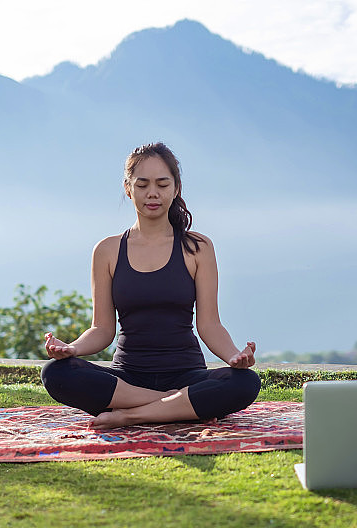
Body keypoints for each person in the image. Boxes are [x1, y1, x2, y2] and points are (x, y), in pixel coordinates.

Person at [41, 142, 261, 429]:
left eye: (162, 184)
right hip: (127, 379)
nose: (153, 193)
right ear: (128, 188)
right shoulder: (107, 250)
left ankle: (130, 415)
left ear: (176, 188)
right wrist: (72, 348)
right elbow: (102, 329)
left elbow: (209, 325)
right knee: (55, 373)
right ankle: (173, 404)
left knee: (245, 382)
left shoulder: (198, 247)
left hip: (187, 374)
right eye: (142, 185)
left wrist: (234, 355)